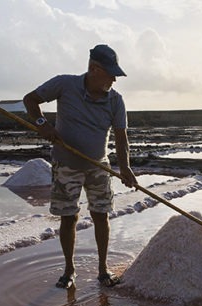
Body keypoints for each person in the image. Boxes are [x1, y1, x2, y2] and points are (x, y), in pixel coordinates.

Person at [23, 44, 138, 289]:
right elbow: (30, 100)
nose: (115, 79)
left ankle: (103, 269)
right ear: (94, 69)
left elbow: (121, 137)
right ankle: (69, 270)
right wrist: (42, 123)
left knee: (101, 215)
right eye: (111, 73)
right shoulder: (65, 85)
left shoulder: (116, 101)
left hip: (99, 167)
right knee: (68, 217)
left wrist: (125, 168)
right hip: (67, 165)